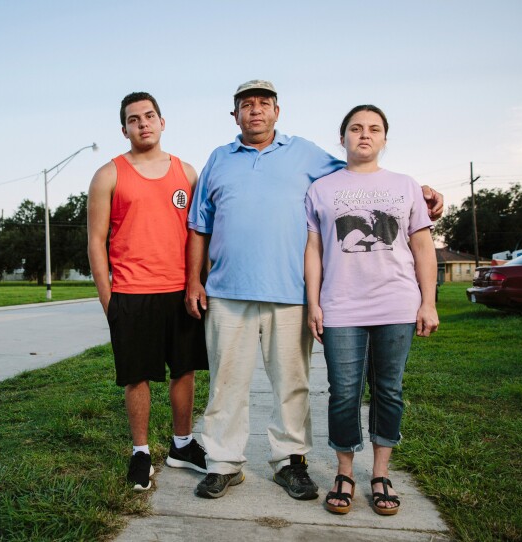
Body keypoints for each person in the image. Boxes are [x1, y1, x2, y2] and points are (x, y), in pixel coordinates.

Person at [185, 80, 443, 500]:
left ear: (277, 112)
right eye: (246, 105)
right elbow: (200, 224)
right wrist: (194, 279)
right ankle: (223, 464)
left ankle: (290, 463)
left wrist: (424, 192)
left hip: (290, 292)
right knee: (226, 382)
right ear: (234, 115)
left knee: (292, 382)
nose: (255, 111)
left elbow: (360, 172)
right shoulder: (218, 159)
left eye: (264, 104)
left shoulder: (305, 153)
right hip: (228, 291)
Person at [304, 105, 439, 516]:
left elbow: (421, 245)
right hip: (341, 304)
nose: (365, 134)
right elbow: (314, 249)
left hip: (396, 302)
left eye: (374, 129)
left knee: (388, 389)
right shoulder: (322, 189)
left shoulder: (405, 185)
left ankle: (380, 474)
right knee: (343, 392)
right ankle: (345, 472)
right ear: (342, 137)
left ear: (384, 139)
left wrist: (428, 301)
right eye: (356, 128)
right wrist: (314, 302)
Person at [87, 92, 210, 492]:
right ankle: (141, 452)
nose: (143, 123)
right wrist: (110, 301)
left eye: (149, 116)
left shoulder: (187, 172)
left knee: (185, 370)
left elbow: (199, 233)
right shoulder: (109, 174)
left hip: (180, 290)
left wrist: (199, 282)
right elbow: (96, 241)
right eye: (134, 119)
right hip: (131, 292)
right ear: (124, 129)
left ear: (161, 121)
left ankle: (182, 445)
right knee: (136, 375)